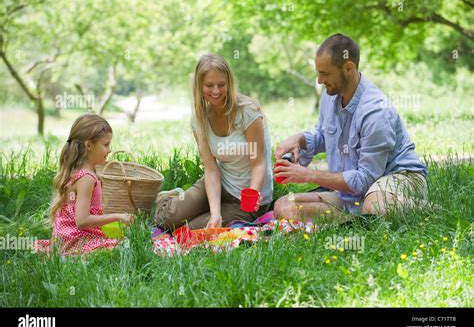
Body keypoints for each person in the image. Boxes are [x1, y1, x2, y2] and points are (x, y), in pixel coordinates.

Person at [274, 34, 428, 221]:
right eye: (318, 72)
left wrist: (308, 175)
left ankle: (426, 209)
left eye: (325, 73)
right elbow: (324, 136)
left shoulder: (376, 111)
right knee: (284, 205)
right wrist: (300, 139)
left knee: (377, 206)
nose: (319, 80)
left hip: (397, 177)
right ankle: (358, 217)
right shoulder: (330, 96)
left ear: (349, 68)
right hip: (354, 190)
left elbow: (365, 179)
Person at [155, 54, 273, 230]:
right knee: (167, 221)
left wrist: (253, 193)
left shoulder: (248, 112)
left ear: (229, 83)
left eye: (221, 85)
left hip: (248, 196)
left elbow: (258, 163)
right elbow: (211, 169)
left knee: (188, 230)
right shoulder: (199, 120)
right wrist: (215, 212)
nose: (216, 91)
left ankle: (205, 212)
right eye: (209, 85)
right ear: (199, 86)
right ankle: (170, 199)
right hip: (220, 184)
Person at [35, 113, 133, 255]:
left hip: (68, 236)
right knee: (125, 246)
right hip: (75, 239)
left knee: (123, 240)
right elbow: (82, 220)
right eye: (106, 144)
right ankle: (71, 254)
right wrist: (119, 217)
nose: (110, 149)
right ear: (89, 145)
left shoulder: (82, 171)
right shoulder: (86, 178)